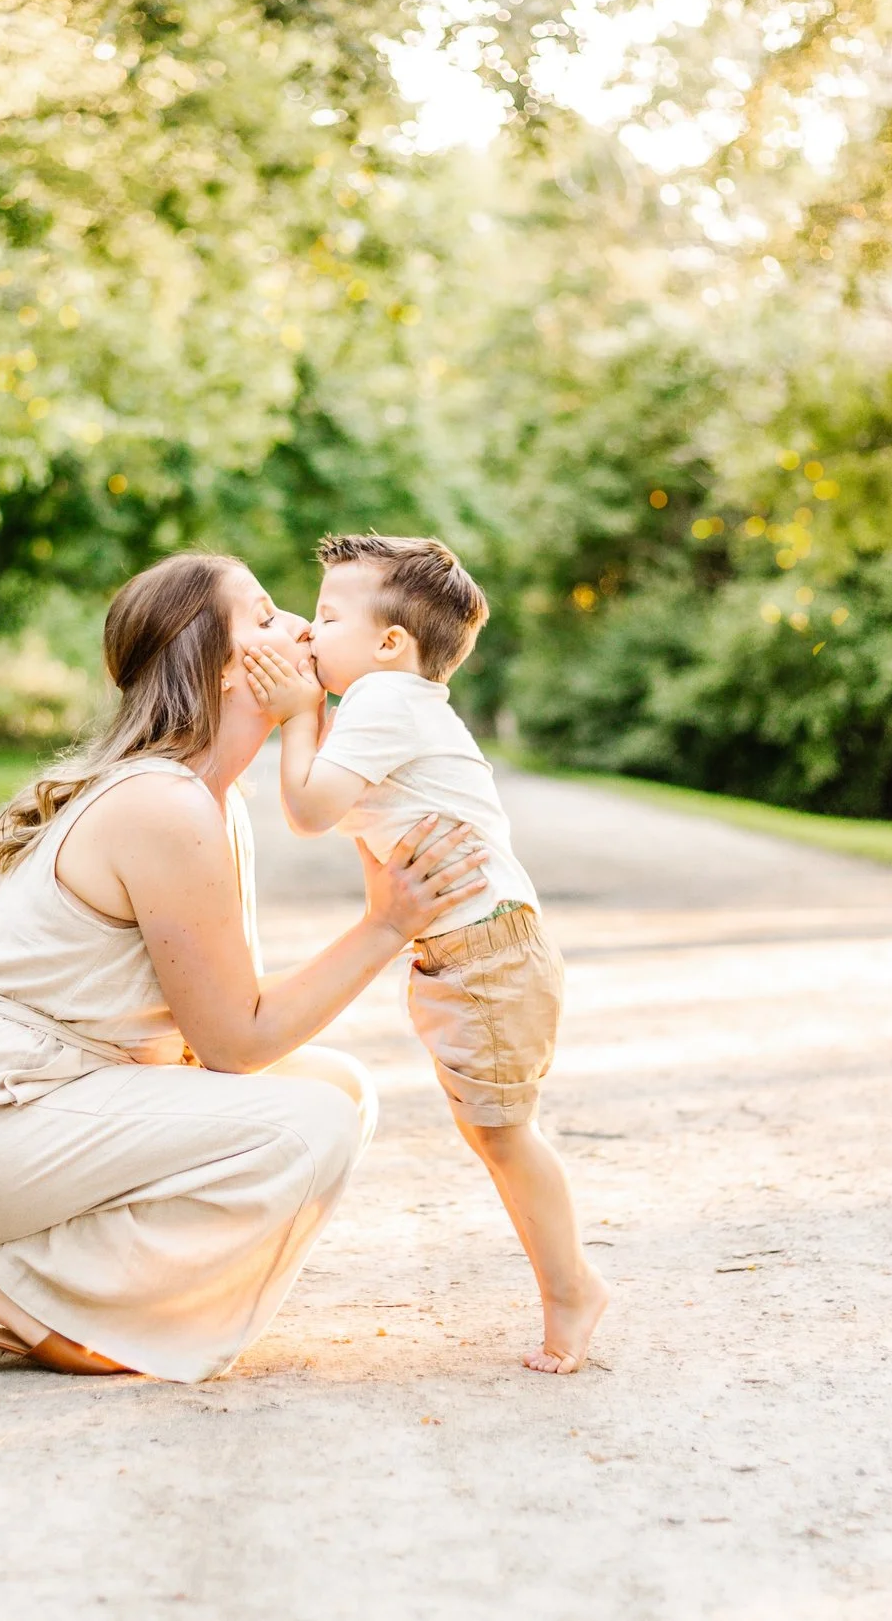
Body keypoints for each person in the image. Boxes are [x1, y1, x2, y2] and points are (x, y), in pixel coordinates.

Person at [0, 551, 488, 1381]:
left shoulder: (212, 802)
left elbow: (230, 1026)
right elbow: (239, 1044)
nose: (303, 629)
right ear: (225, 663)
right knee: (304, 1125)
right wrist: (387, 925)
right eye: (268, 616)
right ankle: (39, 1289)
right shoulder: (162, 804)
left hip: (57, 1096)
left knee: (340, 1089)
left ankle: (94, 1295)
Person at [242, 534, 610, 1374]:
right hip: (476, 951)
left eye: (327, 615)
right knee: (496, 1133)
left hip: (485, 954)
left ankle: (573, 1288)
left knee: (507, 1135)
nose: (308, 633)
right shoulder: (390, 704)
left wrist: (301, 713)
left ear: (389, 644)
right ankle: (569, 1284)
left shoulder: (384, 702)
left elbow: (309, 809)